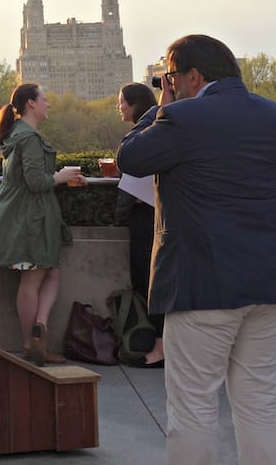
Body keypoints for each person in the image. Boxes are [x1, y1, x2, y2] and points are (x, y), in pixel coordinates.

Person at [118, 34, 276, 465]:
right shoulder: (270, 116)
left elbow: (131, 157)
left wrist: (158, 107)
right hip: (271, 279)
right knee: (258, 401)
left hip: (203, 281)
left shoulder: (183, 118)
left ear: (193, 75)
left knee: (194, 406)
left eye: (171, 76)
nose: (171, 84)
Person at [0, 82, 84, 367]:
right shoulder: (28, 137)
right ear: (31, 103)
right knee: (33, 277)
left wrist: (62, 177)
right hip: (28, 218)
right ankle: (31, 343)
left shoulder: (20, 135)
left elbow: (31, 176)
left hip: (26, 216)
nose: (48, 104)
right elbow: (36, 181)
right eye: (44, 99)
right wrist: (61, 176)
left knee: (50, 271)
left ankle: (39, 329)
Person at [115, 81, 165, 366]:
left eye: (122, 102)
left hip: (149, 220)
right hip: (149, 217)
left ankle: (158, 347)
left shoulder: (149, 134)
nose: (119, 107)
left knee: (150, 281)